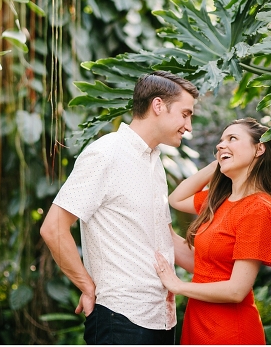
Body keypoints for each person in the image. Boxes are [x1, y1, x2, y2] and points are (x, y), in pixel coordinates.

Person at [40, 70, 199, 345]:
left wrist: (230, 273)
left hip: (161, 318)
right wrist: (87, 287)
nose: (189, 126)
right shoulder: (105, 153)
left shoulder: (155, 163)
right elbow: (53, 228)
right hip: (120, 321)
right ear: (158, 106)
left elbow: (165, 238)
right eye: (185, 114)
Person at [153, 118, 271, 345]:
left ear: (259, 148)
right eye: (220, 141)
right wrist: (218, 162)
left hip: (230, 332)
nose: (220, 145)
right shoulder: (219, 201)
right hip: (198, 325)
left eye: (232, 138)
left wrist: (178, 286)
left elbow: (237, 290)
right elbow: (176, 199)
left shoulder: (259, 208)